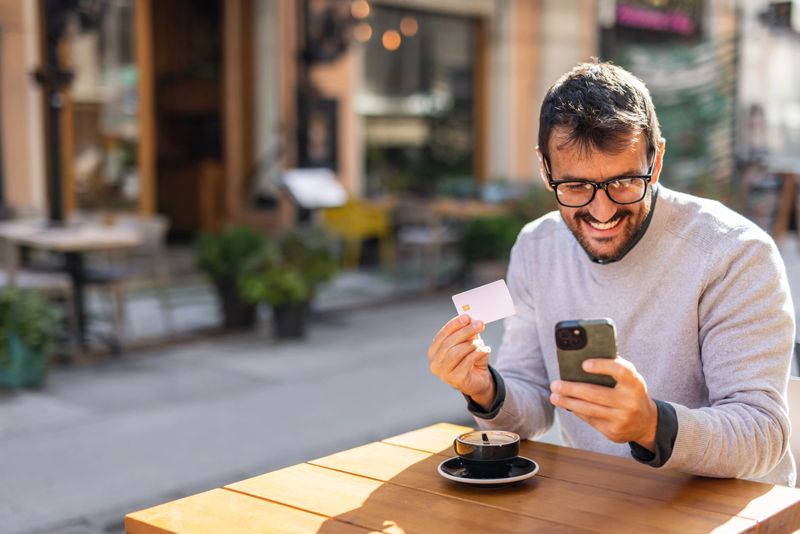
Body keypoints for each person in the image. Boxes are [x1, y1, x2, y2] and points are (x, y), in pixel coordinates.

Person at [427, 61, 796, 486]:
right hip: (600, 502)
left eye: (623, 182)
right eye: (576, 186)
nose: (601, 212)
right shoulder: (536, 246)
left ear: (656, 161)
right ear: (546, 169)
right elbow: (529, 411)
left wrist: (652, 424)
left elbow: (762, 433)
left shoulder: (733, 252)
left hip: (732, 516)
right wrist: (485, 388)